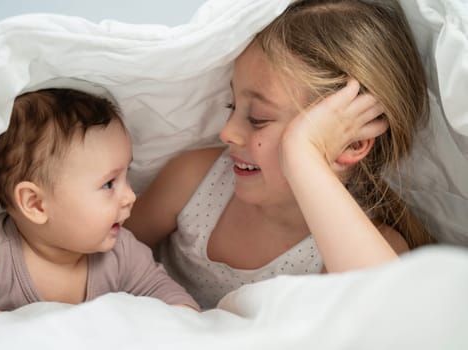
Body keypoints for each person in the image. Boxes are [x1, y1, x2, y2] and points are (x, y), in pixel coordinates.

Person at [124, 0, 436, 309]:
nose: (227, 132)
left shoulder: (363, 246)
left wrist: (303, 155)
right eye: (232, 106)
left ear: (352, 145)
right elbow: (98, 255)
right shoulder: (194, 180)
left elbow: (386, 320)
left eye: (258, 118)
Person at [0, 88, 199, 314]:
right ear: (36, 204)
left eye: (126, 175)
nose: (130, 196)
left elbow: (176, 302)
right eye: (109, 184)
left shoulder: (123, 254)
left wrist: (179, 315)